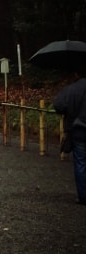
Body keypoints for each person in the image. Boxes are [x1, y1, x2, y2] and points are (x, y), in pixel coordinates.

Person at [53, 74, 86, 205]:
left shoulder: (72, 89)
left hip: (78, 130)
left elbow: (58, 105)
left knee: (81, 163)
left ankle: (83, 196)